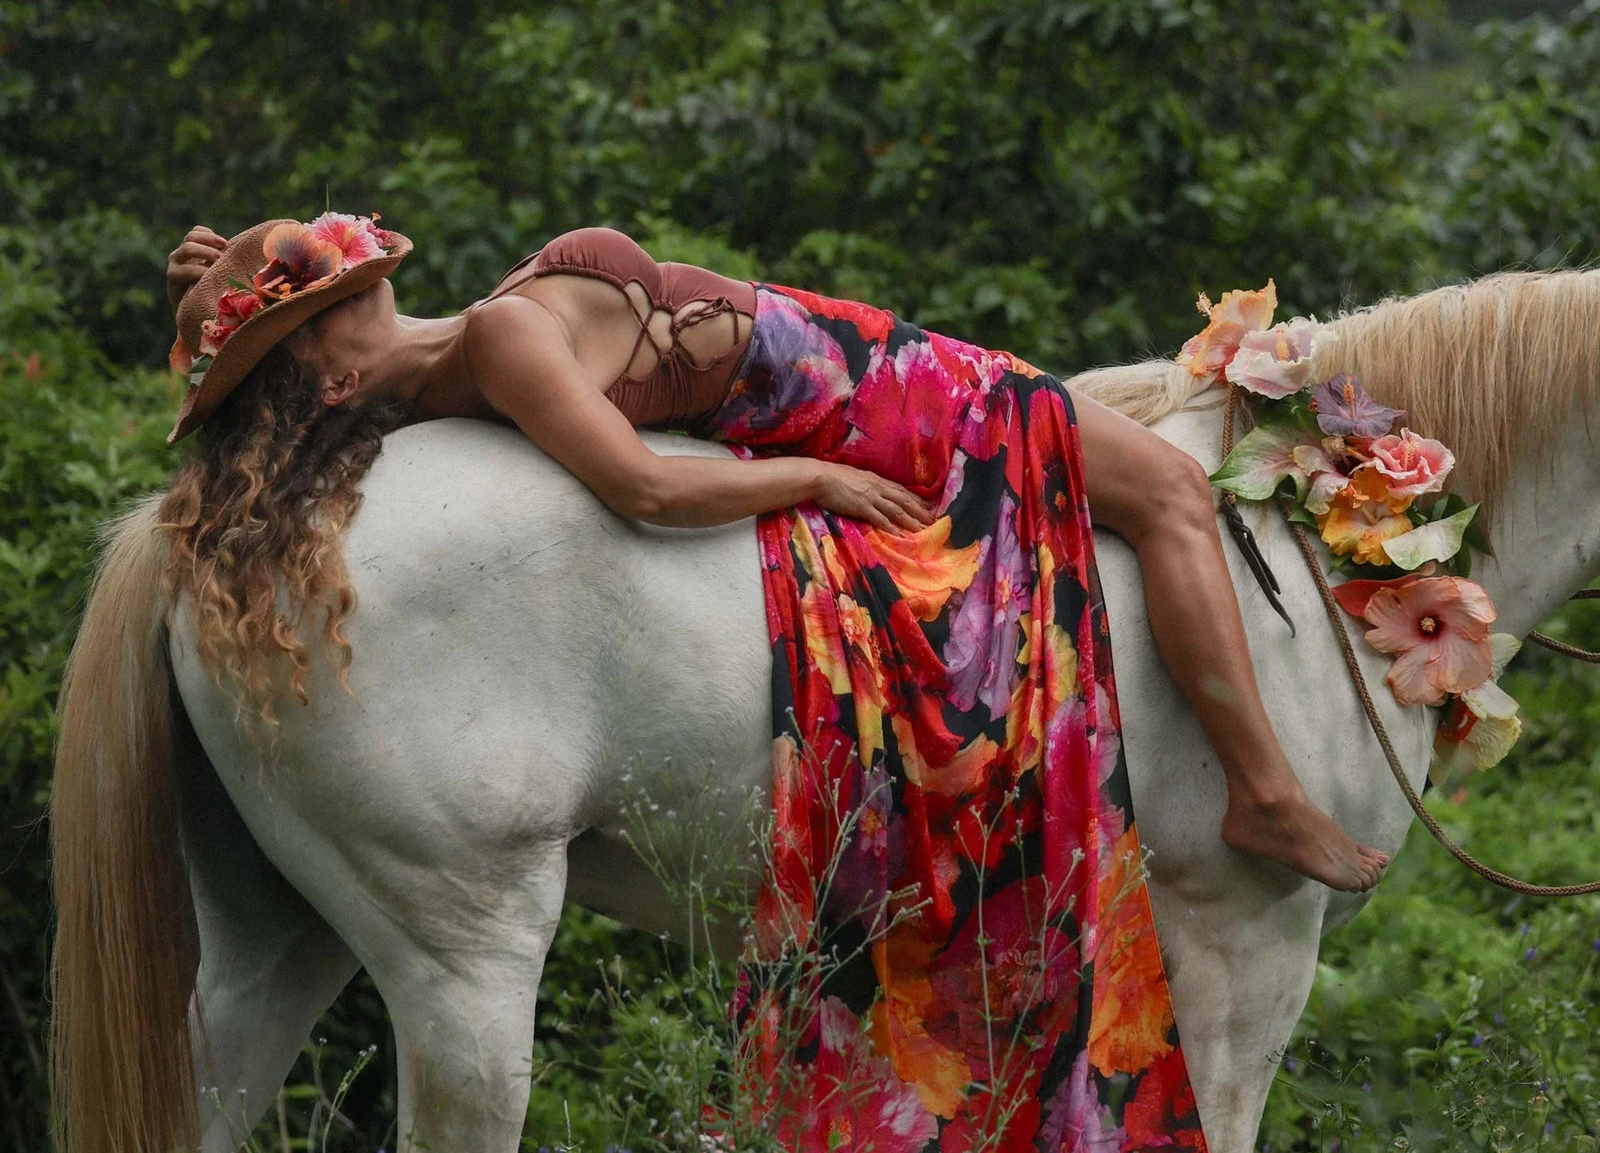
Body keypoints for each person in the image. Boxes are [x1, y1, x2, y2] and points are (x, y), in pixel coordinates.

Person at [164, 217, 1388, 894]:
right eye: (320, 302)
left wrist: (221, 274)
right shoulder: (493, 346)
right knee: (1173, 491)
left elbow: (296, 348)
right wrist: (815, 479)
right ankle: (1265, 794)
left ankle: (1255, 789)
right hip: (862, 395)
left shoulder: (428, 371)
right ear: (323, 371)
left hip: (841, 368)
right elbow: (642, 487)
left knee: (1149, 484)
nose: (352, 273)